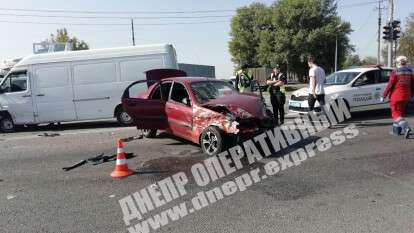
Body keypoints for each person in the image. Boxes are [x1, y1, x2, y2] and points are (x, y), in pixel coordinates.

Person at [382, 56, 414, 138]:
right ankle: (396, 131)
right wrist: (412, 95)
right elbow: (413, 85)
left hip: (396, 96)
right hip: (407, 96)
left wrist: (384, 95)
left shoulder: (395, 71)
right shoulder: (410, 72)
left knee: (395, 114)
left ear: (398, 63)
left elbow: (390, 85)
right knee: (399, 113)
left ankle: (406, 127)